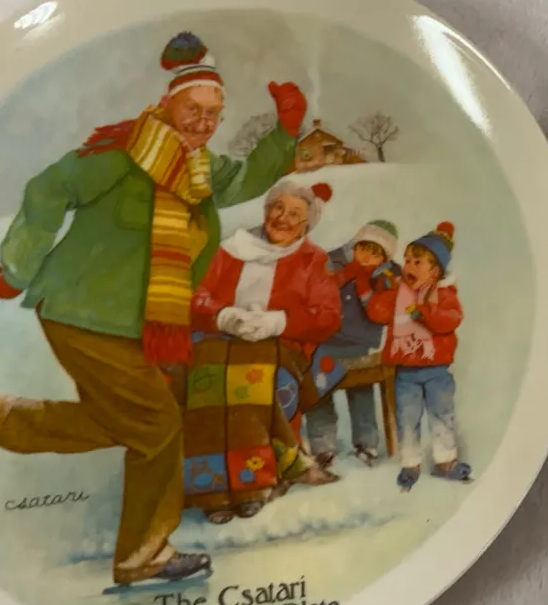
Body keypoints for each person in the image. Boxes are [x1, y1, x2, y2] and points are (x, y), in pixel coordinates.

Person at [0, 31, 307, 586]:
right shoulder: (122, 153)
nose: (203, 123)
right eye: (194, 110)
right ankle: (143, 556)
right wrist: (16, 269)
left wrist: (286, 131)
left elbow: (248, 178)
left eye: (213, 114)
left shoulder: (198, 170)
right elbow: (48, 188)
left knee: (123, 422)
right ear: (169, 103)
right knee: (159, 427)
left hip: (128, 325)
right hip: (83, 313)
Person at [187, 180, 343, 523]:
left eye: (295, 214)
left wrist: (278, 321)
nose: (283, 218)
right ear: (266, 210)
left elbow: (328, 315)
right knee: (207, 384)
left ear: (307, 223)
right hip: (219, 342)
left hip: (280, 347)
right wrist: (225, 316)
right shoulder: (231, 249)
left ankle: (253, 486)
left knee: (257, 386)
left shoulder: (314, 260)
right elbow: (197, 295)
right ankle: (212, 490)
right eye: (278, 208)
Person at [365, 222, 468, 490]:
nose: (409, 266)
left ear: (436, 270)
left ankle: (446, 460)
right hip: (405, 371)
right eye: (408, 260)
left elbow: (451, 319)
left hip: (437, 370)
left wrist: (424, 313)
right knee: (407, 418)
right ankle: (410, 463)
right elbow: (376, 313)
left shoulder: (444, 293)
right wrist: (383, 289)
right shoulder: (398, 292)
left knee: (442, 413)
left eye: (418, 262)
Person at [304, 219, 401, 467]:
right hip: (325, 340)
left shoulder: (387, 276)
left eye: (375, 253)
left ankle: (367, 443)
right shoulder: (335, 263)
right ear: (354, 246)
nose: (367, 256)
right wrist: (345, 274)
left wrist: (369, 284)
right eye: (363, 248)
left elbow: (382, 311)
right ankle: (322, 445)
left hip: (360, 343)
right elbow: (317, 289)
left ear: (384, 258)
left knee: (361, 391)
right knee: (318, 388)